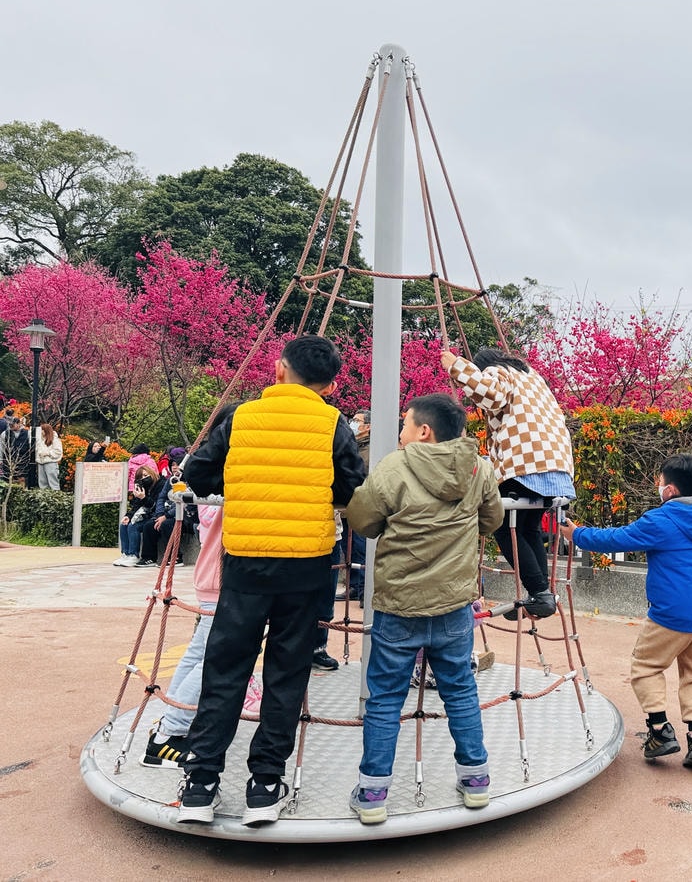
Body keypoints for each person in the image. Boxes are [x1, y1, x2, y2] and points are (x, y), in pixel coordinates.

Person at [178, 336, 366, 826]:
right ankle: (265, 784)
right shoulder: (333, 424)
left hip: (244, 563)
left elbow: (198, 474)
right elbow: (351, 487)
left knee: (225, 668)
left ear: (279, 369)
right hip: (306, 566)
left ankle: (200, 782)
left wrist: (242, 483)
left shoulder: (240, 416)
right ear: (329, 384)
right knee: (286, 673)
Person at [344, 392, 503, 823]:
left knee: (384, 699)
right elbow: (491, 521)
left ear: (423, 431)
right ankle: (475, 779)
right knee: (460, 690)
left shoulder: (396, 466)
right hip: (453, 604)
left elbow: (362, 520)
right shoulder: (479, 468)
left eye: (404, 425)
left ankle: (374, 792)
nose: (400, 433)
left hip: (400, 606)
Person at [561, 454, 692, 771]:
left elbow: (616, 538)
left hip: (671, 615)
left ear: (669, 490)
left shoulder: (661, 521)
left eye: (659, 482)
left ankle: (659, 730)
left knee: (645, 665)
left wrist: (576, 534)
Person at [441, 348, 574, 620]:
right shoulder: (533, 379)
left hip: (526, 464)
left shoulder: (497, 372)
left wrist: (457, 366)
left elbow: (489, 393)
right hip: (556, 467)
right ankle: (542, 593)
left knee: (501, 524)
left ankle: (539, 592)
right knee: (529, 527)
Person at [142, 502, 224, 766]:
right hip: (223, 577)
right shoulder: (226, 480)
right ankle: (169, 734)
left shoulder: (209, 477)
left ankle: (170, 721)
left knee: (198, 654)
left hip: (211, 574)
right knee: (214, 659)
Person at [114, 468, 157, 567]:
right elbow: (135, 507)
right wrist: (128, 516)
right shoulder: (141, 487)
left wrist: (144, 498)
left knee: (133, 526)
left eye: (146, 475)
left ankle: (134, 555)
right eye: (141, 477)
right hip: (142, 516)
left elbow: (155, 505)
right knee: (124, 525)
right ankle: (126, 554)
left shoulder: (157, 485)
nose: (144, 478)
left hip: (152, 516)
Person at [1, 416, 31, 485]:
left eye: (12, 424)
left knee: (22, 480)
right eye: (9, 425)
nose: (10, 426)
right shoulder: (5, 434)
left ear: (18, 423)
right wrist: (1, 459)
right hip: (8, 460)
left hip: (23, 461)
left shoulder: (28, 433)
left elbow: (30, 447)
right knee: (9, 480)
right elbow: (1, 447)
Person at [34, 424, 63, 490]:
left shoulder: (55, 440)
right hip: (41, 462)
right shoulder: (40, 440)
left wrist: (47, 453)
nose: (41, 432)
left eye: (42, 430)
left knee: (53, 482)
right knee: (42, 483)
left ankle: (55, 496)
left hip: (50, 462)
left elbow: (58, 451)